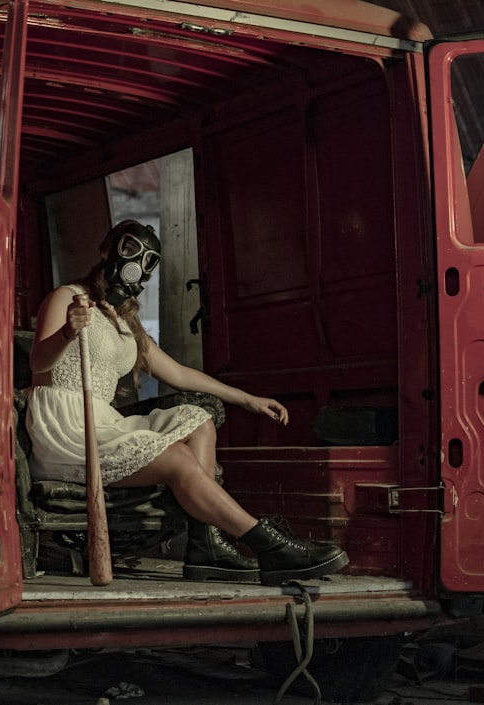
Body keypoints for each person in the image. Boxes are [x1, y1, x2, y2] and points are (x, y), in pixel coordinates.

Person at [25, 219, 348, 586]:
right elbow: (38, 362)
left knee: (199, 420)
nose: (137, 263)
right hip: (66, 424)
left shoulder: (126, 322)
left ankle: (205, 543)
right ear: (107, 249)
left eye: (149, 260)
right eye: (130, 249)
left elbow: (178, 373)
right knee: (178, 459)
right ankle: (270, 546)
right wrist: (68, 331)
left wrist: (248, 400)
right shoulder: (68, 298)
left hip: (103, 419)